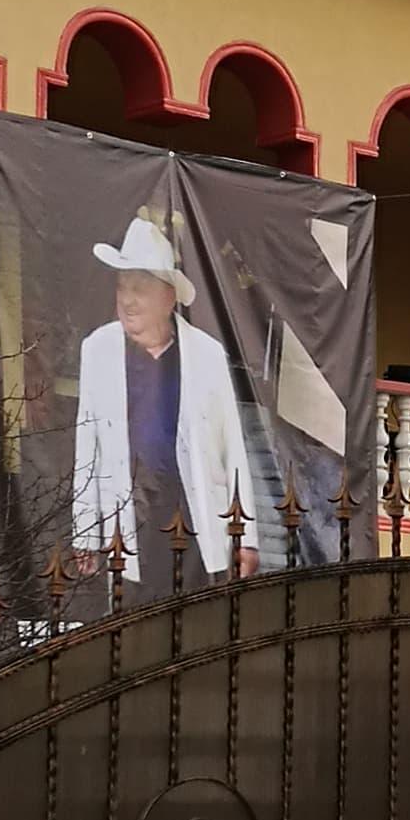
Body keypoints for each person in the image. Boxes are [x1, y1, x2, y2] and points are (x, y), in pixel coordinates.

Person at [71, 214, 262, 587]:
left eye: (139, 289)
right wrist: (85, 532)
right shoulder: (98, 349)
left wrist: (247, 536)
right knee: (133, 617)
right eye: (122, 287)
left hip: (195, 516)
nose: (127, 300)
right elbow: (87, 447)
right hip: (129, 519)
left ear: (168, 297)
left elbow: (233, 451)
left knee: (197, 615)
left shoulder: (207, 354)